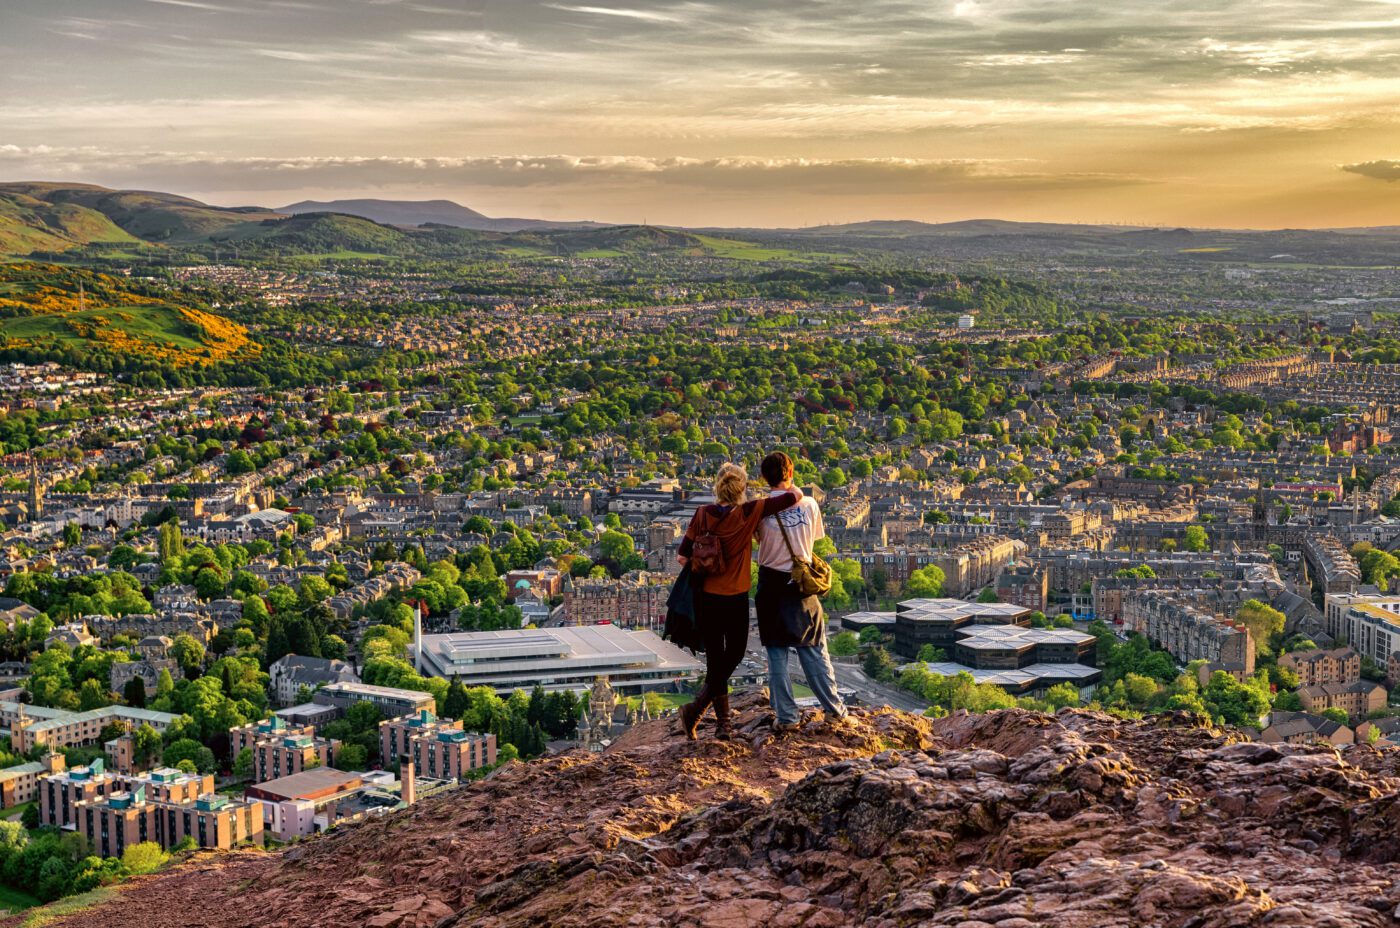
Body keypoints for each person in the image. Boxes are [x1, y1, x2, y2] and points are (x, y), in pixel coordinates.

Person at [676, 462, 801, 741]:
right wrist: (789, 479)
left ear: (717, 486)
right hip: (736, 598)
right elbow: (794, 497)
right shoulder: (749, 511)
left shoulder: (702, 514)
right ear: (742, 487)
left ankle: (706, 716)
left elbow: (682, 556)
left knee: (717, 660)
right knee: (733, 655)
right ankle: (716, 722)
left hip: (706, 597)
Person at [754, 451, 848, 732]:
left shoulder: (758, 510)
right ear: (791, 472)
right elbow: (812, 542)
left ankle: (787, 718)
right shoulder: (809, 504)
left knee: (776, 652)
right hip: (801, 582)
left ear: (764, 478)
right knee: (814, 648)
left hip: (771, 583)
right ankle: (834, 710)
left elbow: (758, 539)